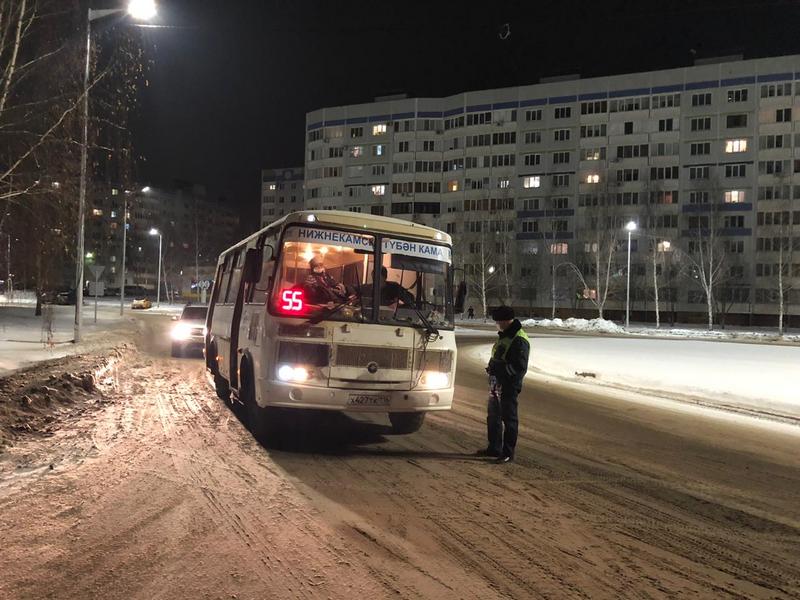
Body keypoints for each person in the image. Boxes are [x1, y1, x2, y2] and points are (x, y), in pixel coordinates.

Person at [479, 305, 530, 464]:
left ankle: (508, 452)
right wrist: (492, 367)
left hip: (508, 386)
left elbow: (519, 367)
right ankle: (494, 448)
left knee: (509, 419)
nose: (497, 324)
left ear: (506, 321)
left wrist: (501, 373)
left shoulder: (518, 339)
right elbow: (499, 355)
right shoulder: (505, 335)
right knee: (493, 416)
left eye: (498, 321)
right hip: (497, 383)